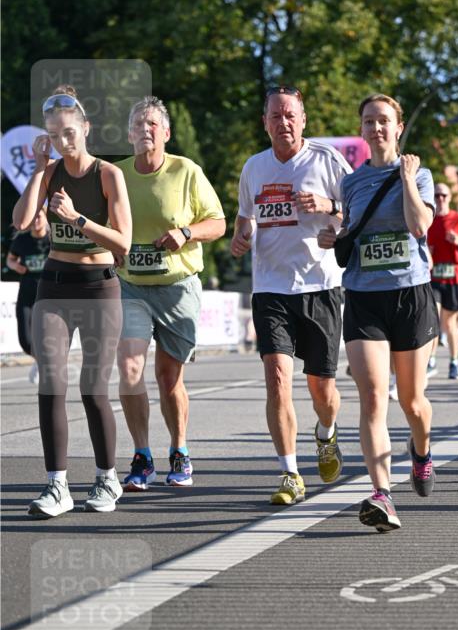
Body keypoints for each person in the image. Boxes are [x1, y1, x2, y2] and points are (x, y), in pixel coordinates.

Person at [319, 93, 437, 533]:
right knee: (372, 397)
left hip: (410, 295)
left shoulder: (420, 174)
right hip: (365, 296)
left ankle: (421, 451)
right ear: (362, 129)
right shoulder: (351, 183)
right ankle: (382, 494)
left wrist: (406, 178)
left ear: (398, 127)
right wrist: (337, 236)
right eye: (369, 121)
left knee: (412, 402)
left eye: (384, 121)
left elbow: (419, 226)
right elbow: (352, 227)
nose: (376, 128)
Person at [12, 86, 132, 518]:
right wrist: (40, 169)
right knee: (51, 383)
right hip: (54, 285)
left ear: (85, 128)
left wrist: (77, 219)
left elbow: (124, 242)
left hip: (100, 285)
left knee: (93, 388)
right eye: (55, 134)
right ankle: (56, 485)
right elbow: (22, 221)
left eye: (70, 132)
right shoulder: (49, 171)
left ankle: (106, 476)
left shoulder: (107, 174)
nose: (64, 141)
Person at [231, 85, 351, 505]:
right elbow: (244, 220)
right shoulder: (254, 168)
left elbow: (357, 211)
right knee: (278, 379)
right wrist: (241, 237)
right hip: (271, 288)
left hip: (320, 286)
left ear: (303, 120)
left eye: (290, 115)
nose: (283, 123)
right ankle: (289, 473)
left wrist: (328, 207)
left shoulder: (326, 160)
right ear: (264, 123)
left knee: (323, 392)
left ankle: (327, 433)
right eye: (275, 116)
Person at [116, 97, 226, 490]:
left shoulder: (186, 171)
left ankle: (179, 450)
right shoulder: (115, 174)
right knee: (129, 368)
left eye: (151, 124)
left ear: (166, 133)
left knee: (167, 377)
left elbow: (217, 223)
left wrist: (186, 233)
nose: (144, 129)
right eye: (137, 124)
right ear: (128, 134)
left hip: (178, 287)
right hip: (131, 287)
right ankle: (142, 456)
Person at [427, 183, 458, 379]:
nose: (440, 199)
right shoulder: (428, 220)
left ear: (449, 198)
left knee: (450, 325)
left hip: (454, 276)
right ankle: (430, 361)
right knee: (432, 318)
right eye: (437, 195)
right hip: (433, 277)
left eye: (444, 195)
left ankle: (454, 362)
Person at [6, 207, 50, 383]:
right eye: (32, 217)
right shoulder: (22, 240)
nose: (36, 219)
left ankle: (46, 364)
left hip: (49, 294)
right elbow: (10, 259)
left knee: (47, 335)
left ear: (46, 218)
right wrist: (15, 266)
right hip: (27, 291)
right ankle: (40, 362)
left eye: (39, 215)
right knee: (25, 338)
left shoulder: (52, 240)